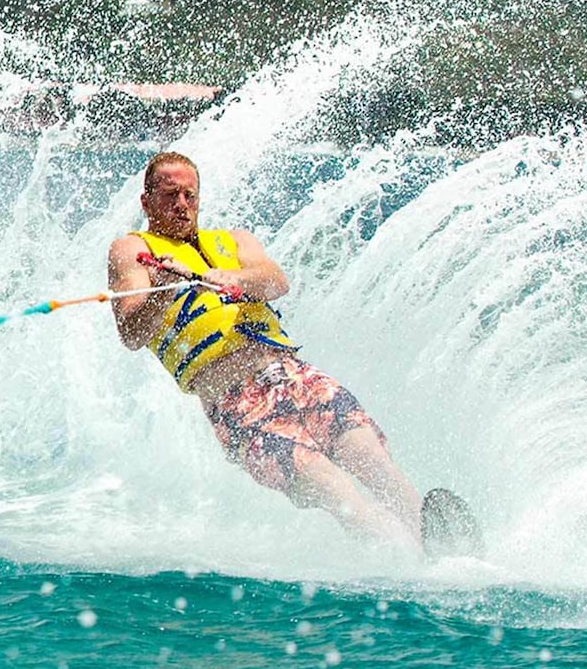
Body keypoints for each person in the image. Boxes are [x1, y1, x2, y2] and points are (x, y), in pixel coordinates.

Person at [107, 152, 424, 549]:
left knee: (372, 459)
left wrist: (232, 278)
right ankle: (400, 562)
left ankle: (446, 548)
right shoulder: (133, 250)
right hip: (235, 404)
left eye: (190, 194)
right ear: (146, 201)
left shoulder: (234, 241)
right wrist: (163, 291)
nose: (181, 204)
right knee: (335, 488)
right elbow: (131, 332)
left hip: (295, 378)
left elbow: (275, 280)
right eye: (170, 195)